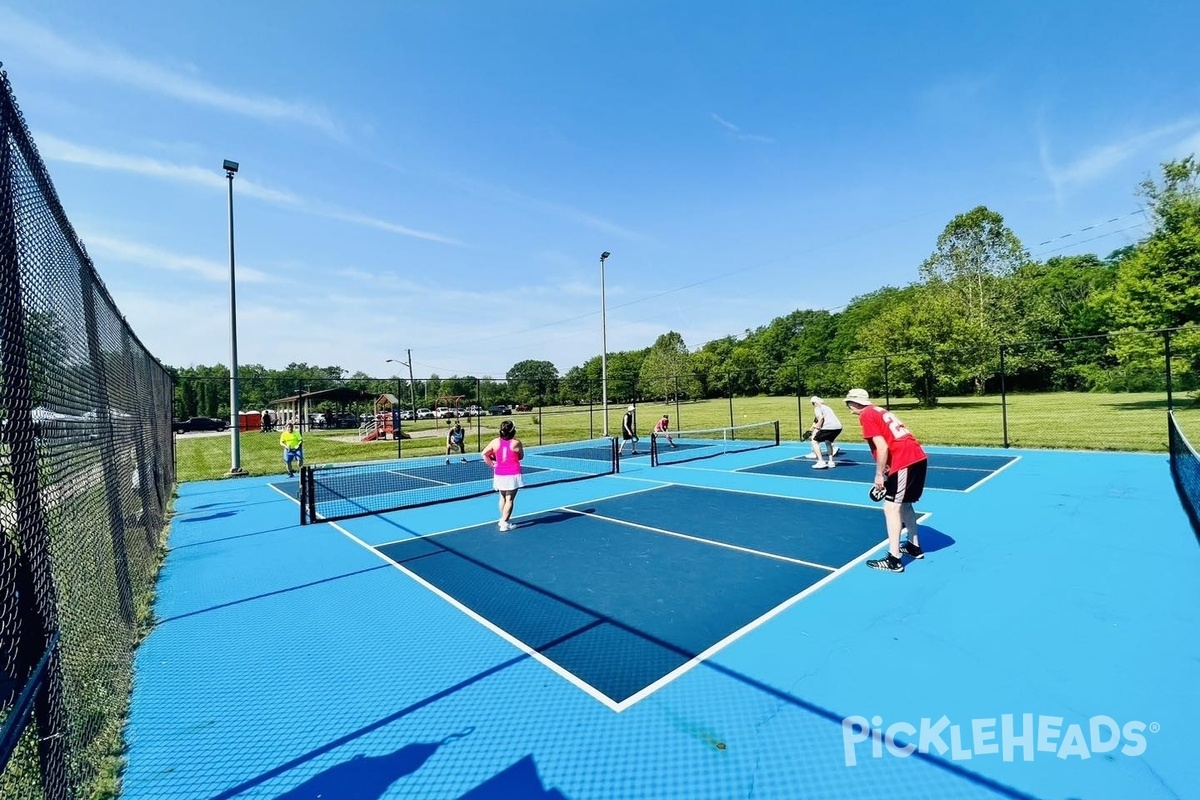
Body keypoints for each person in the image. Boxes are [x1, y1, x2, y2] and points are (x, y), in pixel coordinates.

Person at [844, 388, 928, 573]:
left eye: (848, 402)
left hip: (905, 460)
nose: (847, 406)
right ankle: (914, 547)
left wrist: (879, 475)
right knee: (904, 504)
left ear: (854, 403)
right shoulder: (879, 410)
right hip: (915, 457)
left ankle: (894, 559)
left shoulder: (865, 414)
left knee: (891, 507)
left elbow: (882, 447)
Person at [482, 420, 524, 531]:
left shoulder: (495, 442)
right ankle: (505, 523)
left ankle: (503, 519)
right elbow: (521, 456)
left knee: (502, 497)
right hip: (512, 474)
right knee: (509, 499)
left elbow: (484, 454)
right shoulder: (516, 443)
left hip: (499, 473)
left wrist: (492, 464)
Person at [807, 396, 843, 469]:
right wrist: (812, 428)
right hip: (838, 427)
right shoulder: (827, 407)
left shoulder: (817, 408)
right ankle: (831, 462)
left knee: (814, 441)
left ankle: (821, 461)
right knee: (828, 441)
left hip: (829, 427)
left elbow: (821, 419)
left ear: (814, 403)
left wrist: (817, 428)